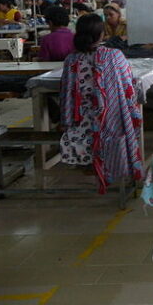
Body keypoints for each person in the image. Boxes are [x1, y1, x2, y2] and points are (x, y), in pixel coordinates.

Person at [59, 14, 142, 194]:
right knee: (126, 117)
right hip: (109, 124)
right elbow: (128, 86)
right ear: (101, 34)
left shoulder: (71, 60)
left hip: (79, 126)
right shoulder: (114, 56)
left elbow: (66, 95)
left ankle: (91, 167)